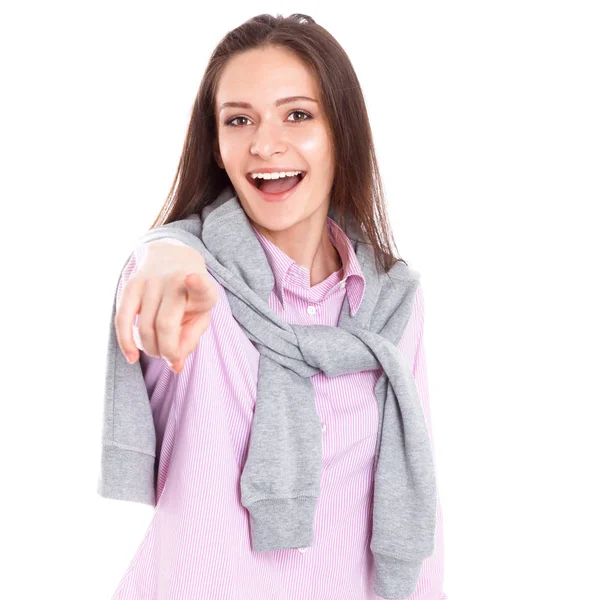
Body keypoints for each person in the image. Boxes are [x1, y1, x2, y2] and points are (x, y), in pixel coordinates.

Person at [102, 13, 447, 600]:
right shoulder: (195, 290)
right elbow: (157, 277)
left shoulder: (393, 305)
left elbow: (418, 506)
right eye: (239, 120)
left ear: (342, 131)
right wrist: (160, 252)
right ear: (216, 145)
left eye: (297, 115)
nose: (265, 144)